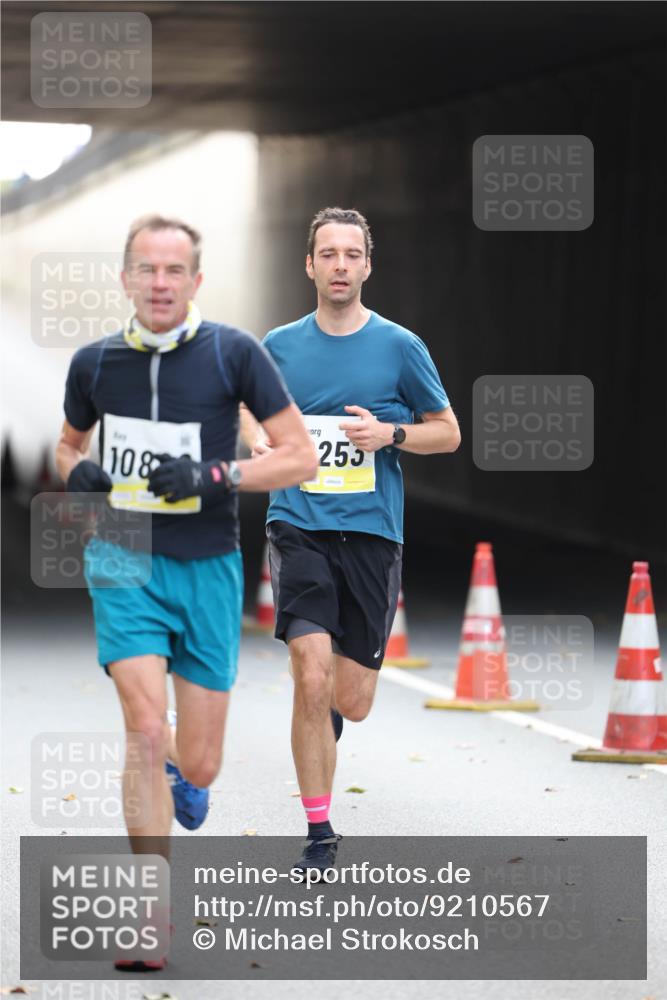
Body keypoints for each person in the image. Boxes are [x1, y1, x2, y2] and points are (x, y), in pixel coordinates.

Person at [55, 214, 317, 969]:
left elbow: (297, 456)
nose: (160, 283)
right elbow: (69, 441)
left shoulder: (235, 354)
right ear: (126, 277)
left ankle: (184, 778)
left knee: (197, 763)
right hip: (124, 557)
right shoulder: (95, 362)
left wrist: (218, 474)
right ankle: (150, 915)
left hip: (207, 565)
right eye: (146, 269)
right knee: (142, 730)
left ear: (195, 281)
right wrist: (76, 470)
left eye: (174, 271)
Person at [241, 207, 460, 878]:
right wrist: (255, 434)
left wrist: (389, 436)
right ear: (308, 265)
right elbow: (247, 404)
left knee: (350, 700)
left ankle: (323, 719)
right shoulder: (278, 345)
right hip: (297, 523)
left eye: (351, 255)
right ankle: (319, 831)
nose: (339, 265)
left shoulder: (400, 347)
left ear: (367, 266)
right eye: (327, 254)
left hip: (371, 531)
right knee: (311, 673)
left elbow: (446, 431)